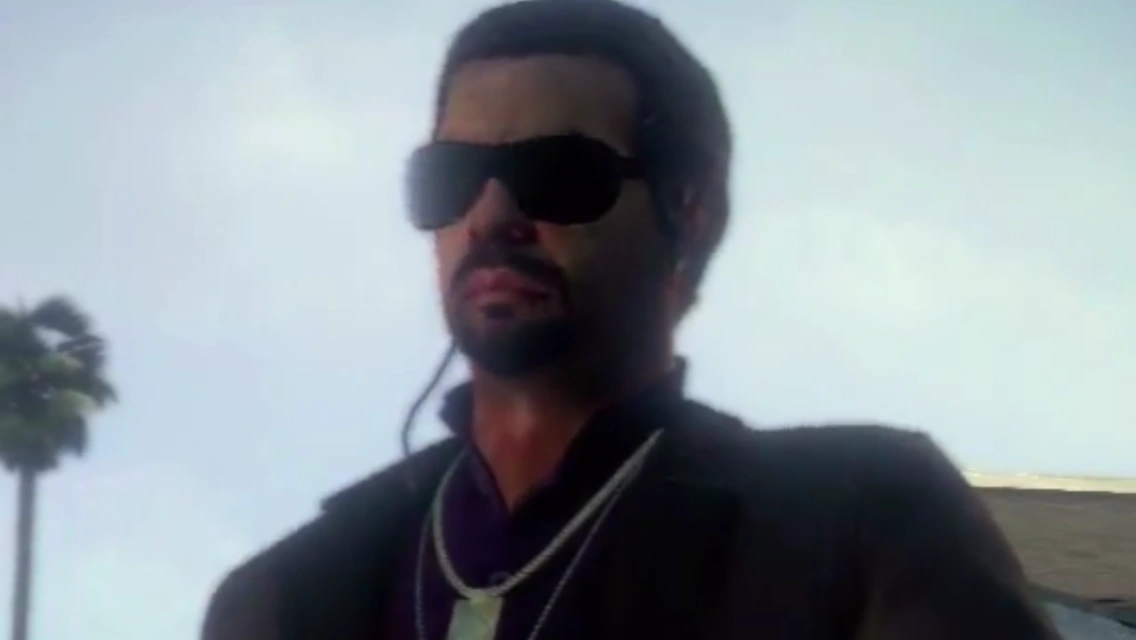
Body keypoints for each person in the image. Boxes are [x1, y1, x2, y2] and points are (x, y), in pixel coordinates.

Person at [201, 1, 1061, 639]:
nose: (491, 215)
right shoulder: (286, 592)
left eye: (559, 173)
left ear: (691, 213)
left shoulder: (861, 518)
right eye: (450, 178)